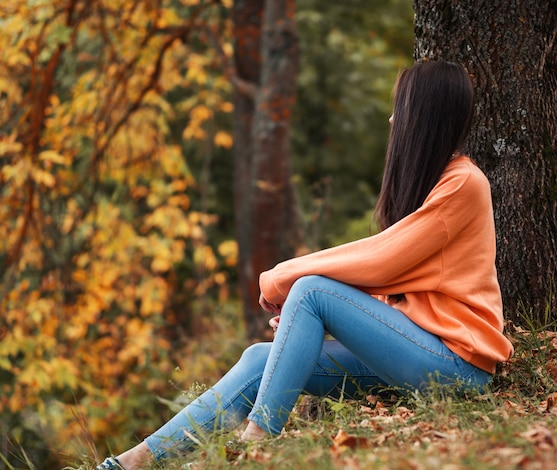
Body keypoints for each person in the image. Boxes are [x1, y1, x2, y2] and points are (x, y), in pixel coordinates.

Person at [95, 60, 514, 470]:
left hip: (455, 367)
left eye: (398, 109)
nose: (390, 120)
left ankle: (257, 446)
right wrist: (303, 323)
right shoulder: (435, 183)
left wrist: (284, 277)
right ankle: (129, 464)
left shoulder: (464, 183)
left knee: (312, 290)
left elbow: (382, 261)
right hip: (418, 357)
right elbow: (402, 284)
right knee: (261, 357)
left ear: (421, 117)